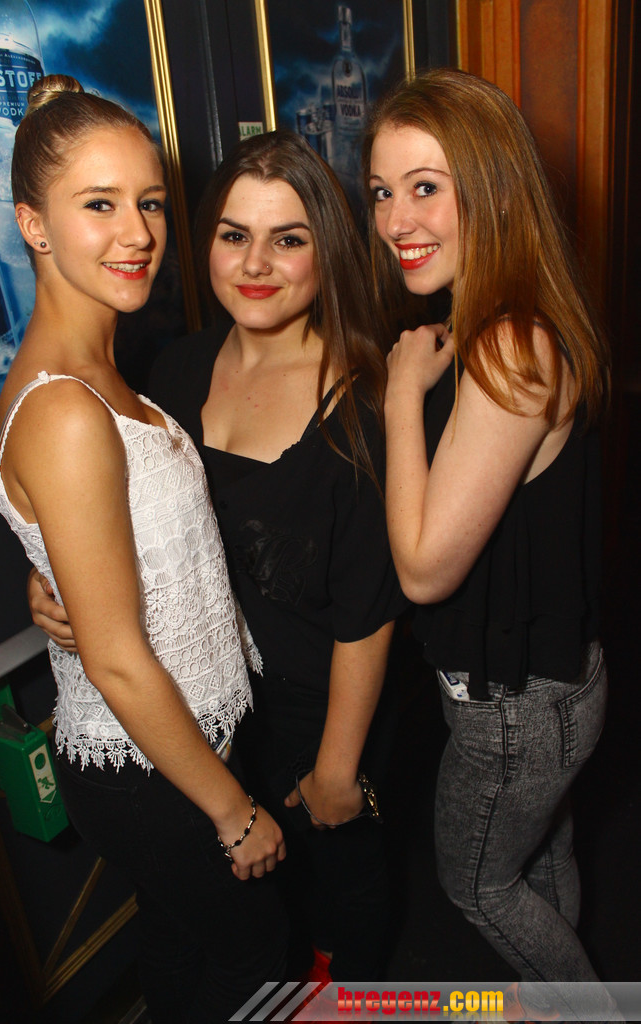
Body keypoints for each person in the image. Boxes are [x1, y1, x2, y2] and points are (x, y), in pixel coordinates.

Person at [29, 128, 409, 982]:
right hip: (206, 721)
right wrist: (48, 580)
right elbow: (121, 522)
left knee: (340, 915)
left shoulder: (366, 402)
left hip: (321, 722)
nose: (255, 264)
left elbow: (369, 612)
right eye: (234, 235)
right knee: (233, 938)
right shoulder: (174, 370)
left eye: (288, 239)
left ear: (326, 250)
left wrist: (337, 772)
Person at [0, 75, 287, 1024]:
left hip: (171, 751)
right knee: (262, 963)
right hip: (151, 771)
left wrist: (52, 574)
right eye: (100, 205)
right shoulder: (65, 408)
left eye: (150, 203)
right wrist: (233, 813)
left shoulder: (97, 373)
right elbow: (117, 657)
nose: (138, 233)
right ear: (33, 226)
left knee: (176, 946)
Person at [364, 68, 615, 1012]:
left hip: (514, 708)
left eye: (425, 187)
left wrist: (400, 397)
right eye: (381, 191)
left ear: (495, 189)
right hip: (552, 688)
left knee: (478, 884)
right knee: (539, 862)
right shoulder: (507, 320)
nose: (395, 220)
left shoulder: (509, 341)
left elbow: (424, 570)